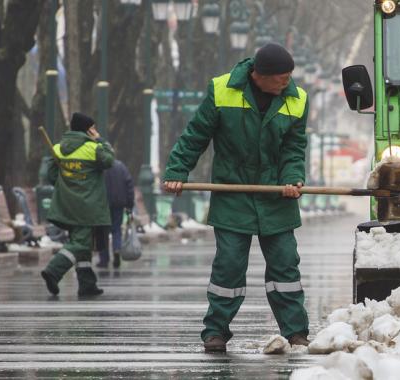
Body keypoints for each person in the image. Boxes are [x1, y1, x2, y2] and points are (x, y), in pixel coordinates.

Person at [162, 43, 310, 353]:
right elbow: (195, 136)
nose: (287, 83)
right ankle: (215, 331)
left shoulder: (296, 100)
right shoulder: (221, 91)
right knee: (228, 266)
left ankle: (296, 332)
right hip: (232, 192)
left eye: (289, 77)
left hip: (275, 195)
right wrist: (178, 170)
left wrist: (292, 178)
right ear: (260, 75)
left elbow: (293, 148)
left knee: (285, 267)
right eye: (281, 78)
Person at [41, 112, 115, 297]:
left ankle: (87, 283)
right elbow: (109, 160)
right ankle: (53, 271)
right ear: (87, 129)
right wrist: (101, 140)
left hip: (66, 205)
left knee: (81, 241)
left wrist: (67, 186)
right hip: (87, 205)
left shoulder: (57, 148)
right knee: (81, 244)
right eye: (93, 128)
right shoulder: (93, 148)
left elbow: (50, 175)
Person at [97, 159, 135, 268]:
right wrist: (129, 204)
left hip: (102, 204)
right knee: (116, 229)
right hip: (119, 203)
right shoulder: (121, 166)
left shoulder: (99, 166)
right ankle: (116, 249)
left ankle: (104, 260)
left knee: (102, 231)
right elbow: (129, 185)